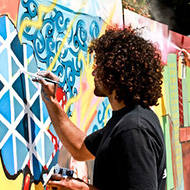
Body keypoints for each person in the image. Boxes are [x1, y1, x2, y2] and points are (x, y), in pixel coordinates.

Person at [35, 25, 166, 190]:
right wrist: (52, 100)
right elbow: (80, 148)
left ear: (116, 73)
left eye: (100, 65)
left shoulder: (134, 130)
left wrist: (83, 189)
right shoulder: (127, 119)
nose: (93, 72)